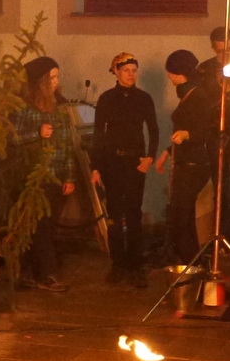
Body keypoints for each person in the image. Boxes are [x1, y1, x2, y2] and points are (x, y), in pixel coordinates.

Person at [90, 52, 159, 286]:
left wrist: (150, 157)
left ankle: (135, 264)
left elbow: (154, 129)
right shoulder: (107, 99)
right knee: (115, 215)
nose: (131, 74)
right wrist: (96, 167)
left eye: (134, 70)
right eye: (126, 70)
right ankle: (118, 264)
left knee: (134, 213)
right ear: (117, 72)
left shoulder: (144, 98)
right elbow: (98, 134)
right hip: (112, 163)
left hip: (134, 163)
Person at [13, 56, 79, 292]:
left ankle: (35, 272)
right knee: (39, 228)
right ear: (40, 81)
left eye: (57, 76)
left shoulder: (59, 106)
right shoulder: (26, 108)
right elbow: (14, 138)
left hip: (57, 176)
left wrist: (69, 177)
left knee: (49, 227)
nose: (56, 81)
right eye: (52, 77)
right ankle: (45, 274)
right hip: (36, 178)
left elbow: (68, 145)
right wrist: (37, 134)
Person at [155, 49, 221, 266]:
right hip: (186, 163)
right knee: (183, 218)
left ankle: (192, 267)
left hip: (193, 166)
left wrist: (187, 135)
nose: (168, 76)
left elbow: (204, 131)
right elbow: (185, 128)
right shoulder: (189, 94)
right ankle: (193, 264)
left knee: (181, 218)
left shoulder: (197, 96)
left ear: (177, 73)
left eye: (170, 72)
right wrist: (167, 150)